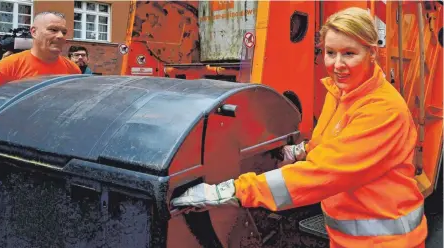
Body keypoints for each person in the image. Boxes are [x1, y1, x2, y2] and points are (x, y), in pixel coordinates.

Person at [171, 7, 427, 248]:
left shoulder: (382, 110)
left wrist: (229, 192)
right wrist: (299, 151)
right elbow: (330, 145)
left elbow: (323, 173)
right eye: (330, 53)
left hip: (388, 240)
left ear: (372, 53)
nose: (337, 64)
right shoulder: (339, 92)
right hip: (349, 238)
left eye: (349, 53)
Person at [0, 11, 81, 96]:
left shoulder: (73, 69)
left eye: (64, 32)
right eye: (53, 30)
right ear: (34, 32)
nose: (60, 36)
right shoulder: (6, 68)